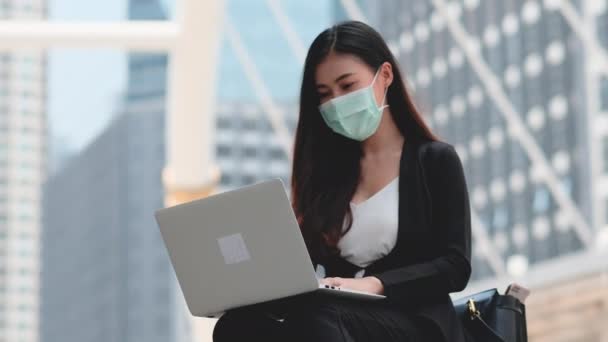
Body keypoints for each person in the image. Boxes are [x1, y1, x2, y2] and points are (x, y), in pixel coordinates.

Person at [213, 20, 472, 342]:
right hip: (337, 319)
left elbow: (454, 266)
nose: (336, 102)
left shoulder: (433, 160)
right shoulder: (325, 176)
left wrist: (373, 284)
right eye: (324, 94)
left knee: (320, 316)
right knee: (237, 326)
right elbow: (301, 271)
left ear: (385, 76)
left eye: (347, 86)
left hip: (416, 323)